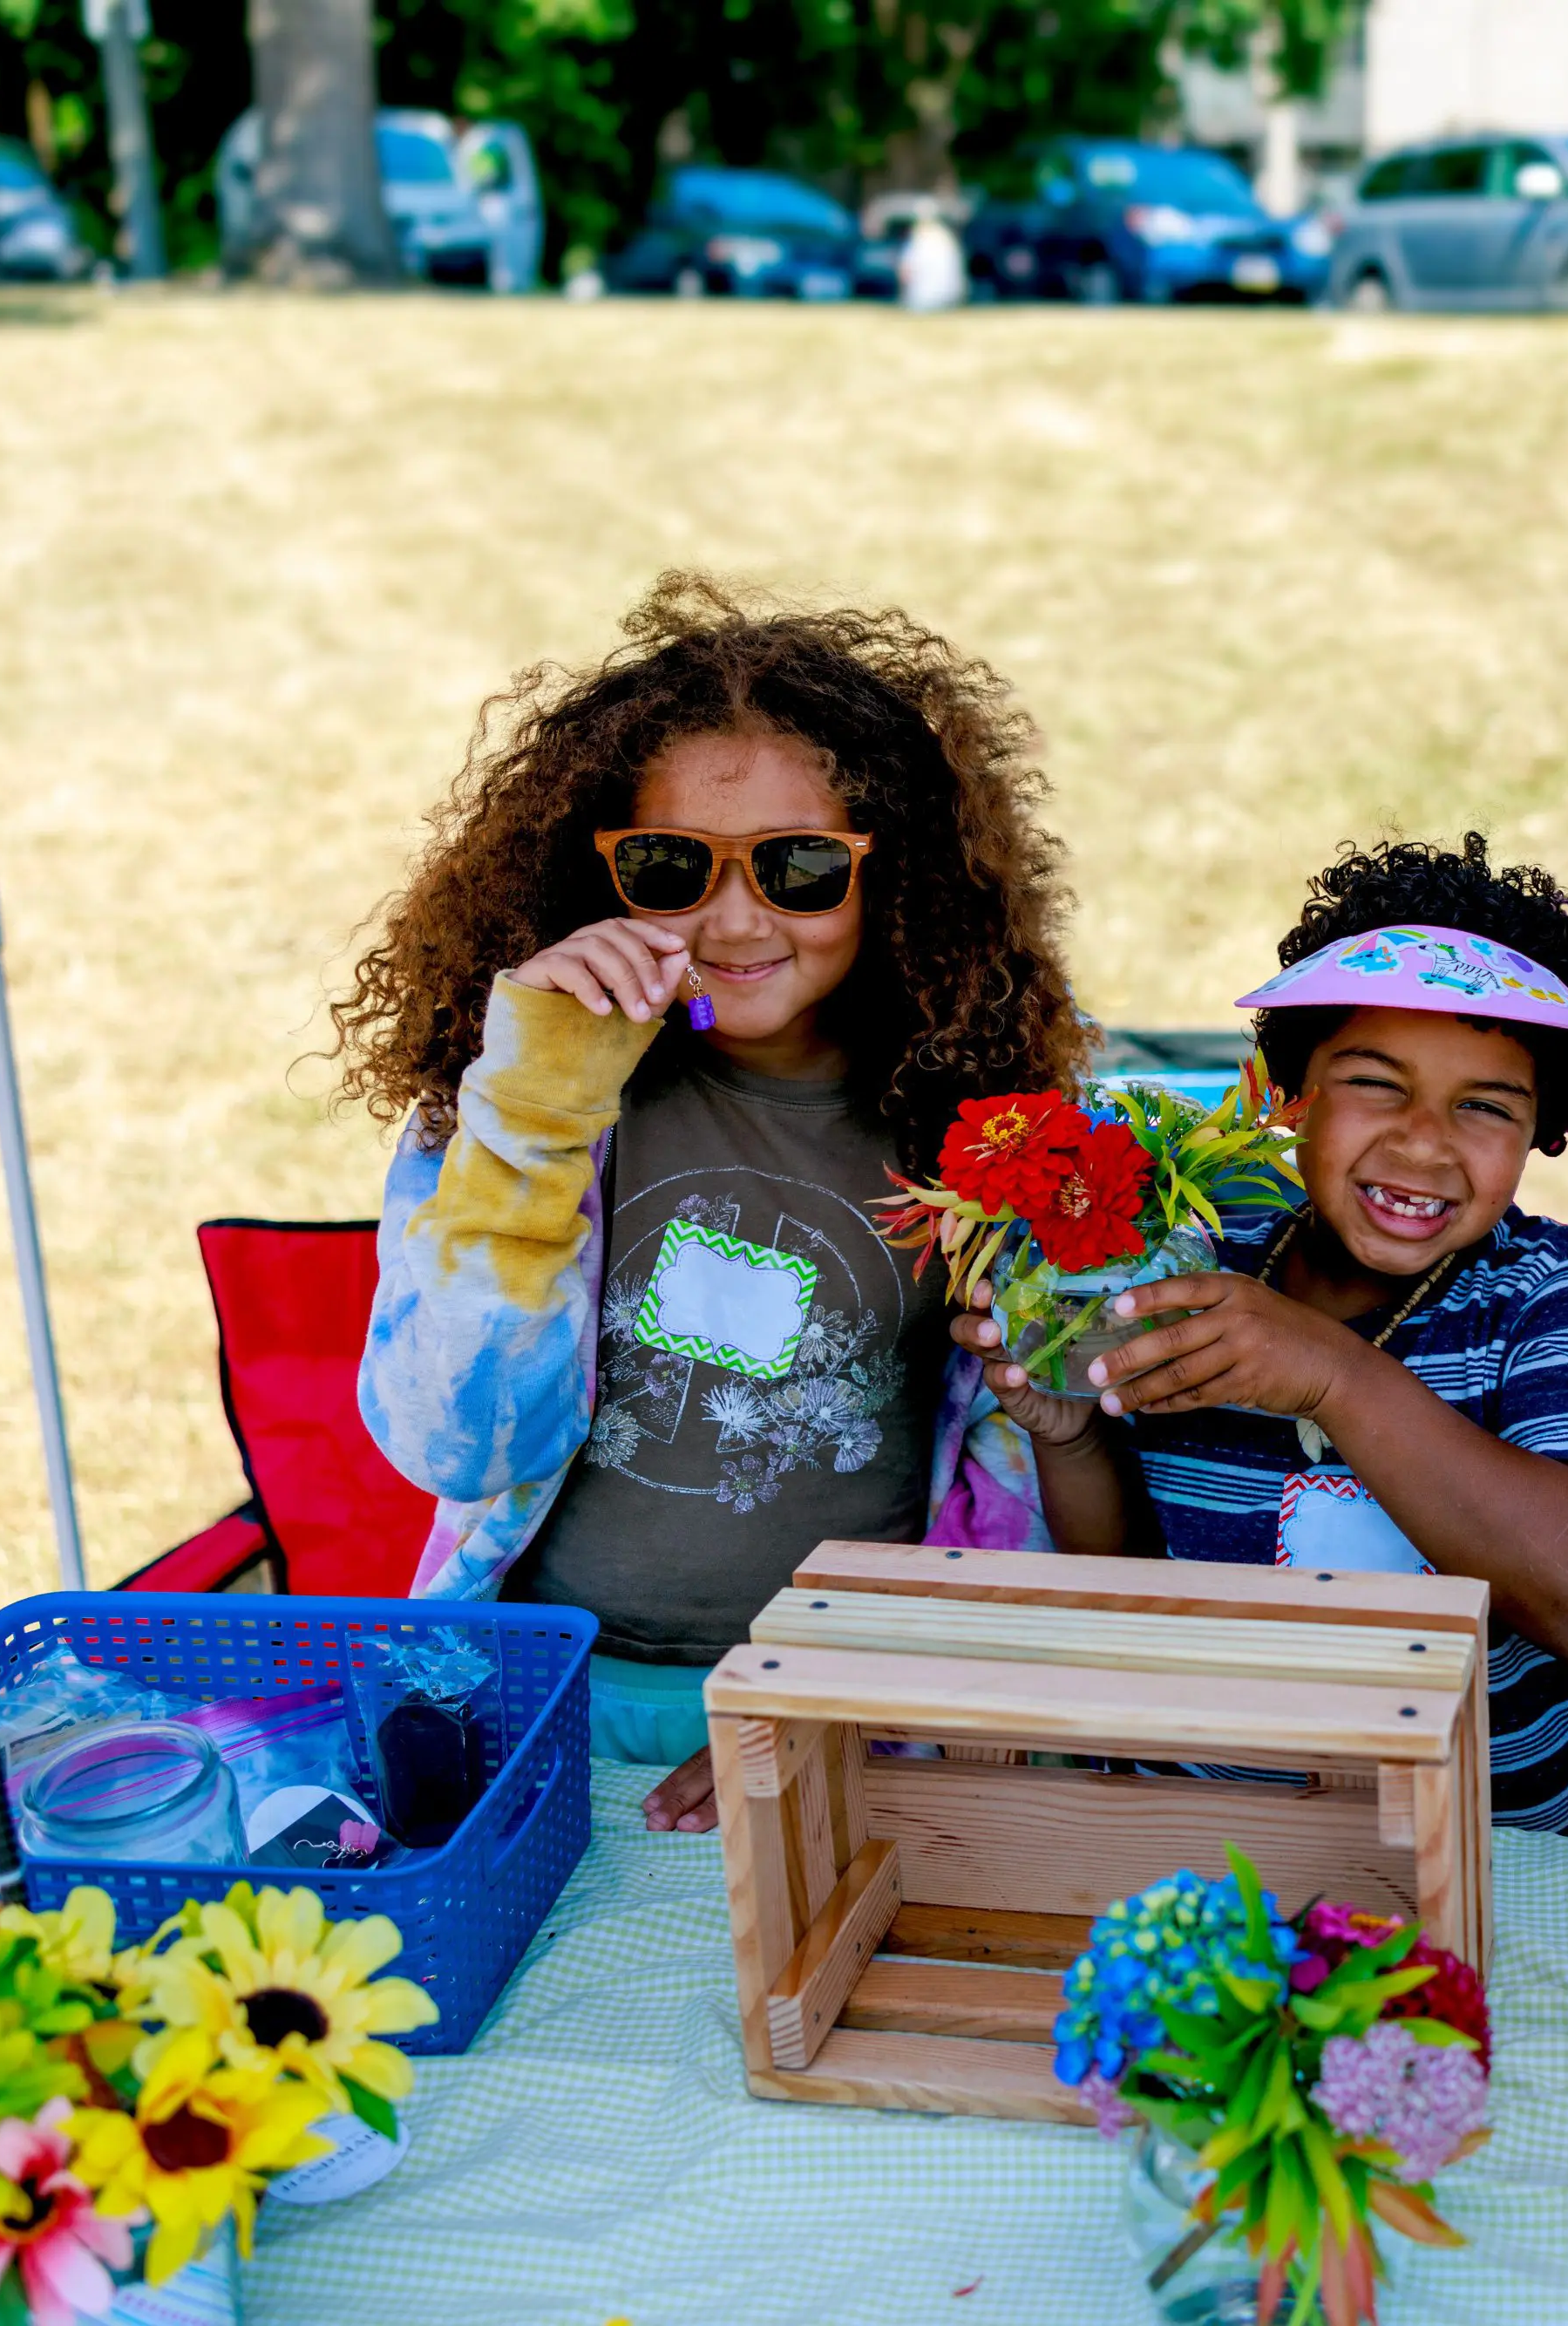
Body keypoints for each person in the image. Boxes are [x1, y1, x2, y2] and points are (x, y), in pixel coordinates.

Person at [340, 574, 1089, 1835]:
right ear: (599, 871)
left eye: (800, 868)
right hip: (531, 1706)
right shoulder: (514, 1110)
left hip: (856, 1713)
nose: (735, 918)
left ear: (893, 876)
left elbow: (1009, 1506)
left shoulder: (972, 1129)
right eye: (670, 865)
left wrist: (847, 1708)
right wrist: (530, 1113)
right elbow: (455, 1447)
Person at [957, 837, 1568, 1835]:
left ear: (1544, 1126)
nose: (1422, 1140)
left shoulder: (1553, 1294)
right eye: (1375, 1082)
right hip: (1197, 1839)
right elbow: (1127, 1582)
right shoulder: (1199, 1257)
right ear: (1288, 1094)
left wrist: (1332, 1374)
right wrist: (1071, 1433)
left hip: (1476, 1862)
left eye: (1484, 1106)